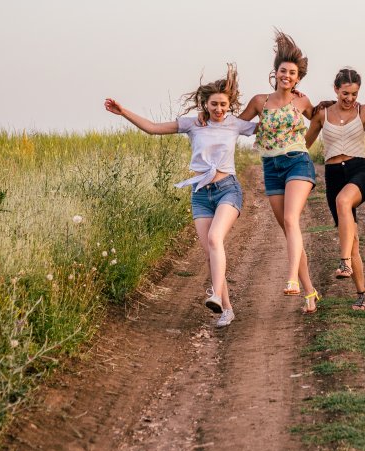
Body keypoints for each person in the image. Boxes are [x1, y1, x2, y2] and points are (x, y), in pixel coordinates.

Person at [104, 64, 254, 328]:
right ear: (205, 104)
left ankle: (216, 294)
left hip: (227, 189)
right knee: (209, 252)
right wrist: (123, 111)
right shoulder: (192, 124)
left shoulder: (235, 124)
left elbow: (269, 125)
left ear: (229, 106)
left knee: (215, 238)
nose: (219, 109)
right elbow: (152, 128)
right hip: (200, 193)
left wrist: (290, 101)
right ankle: (226, 309)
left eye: (223, 105)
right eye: (214, 104)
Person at [236, 31, 321, 314]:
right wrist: (206, 118)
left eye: (292, 73)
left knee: (290, 218)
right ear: (275, 74)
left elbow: (322, 120)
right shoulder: (260, 101)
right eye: (283, 71)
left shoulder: (303, 101)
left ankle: (292, 279)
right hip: (271, 167)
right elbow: (234, 126)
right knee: (289, 229)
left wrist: (307, 144)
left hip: (298, 162)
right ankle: (310, 291)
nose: (287, 75)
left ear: (298, 78)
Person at [304, 68, 365, 310]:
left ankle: (344, 261)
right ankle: (361, 294)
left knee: (343, 201)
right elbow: (303, 144)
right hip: (334, 174)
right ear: (336, 89)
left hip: (360, 171)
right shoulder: (321, 114)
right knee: (352, 238)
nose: (350, 99)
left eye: (355, 94)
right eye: (345, 93)